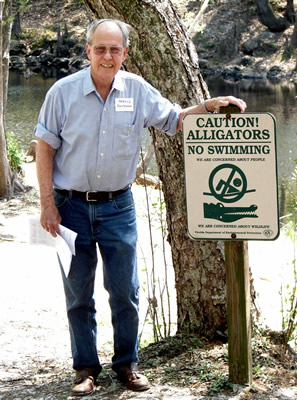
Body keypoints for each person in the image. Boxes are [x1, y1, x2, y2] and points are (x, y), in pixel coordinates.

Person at [35, 18, 246, 397]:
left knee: (125, 291)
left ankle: (127, 365)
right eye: (100, 48)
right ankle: (85, 368)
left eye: (115, 49)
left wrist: (207, 106)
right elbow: (45, 149)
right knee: (78, 295)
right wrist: (47, 205)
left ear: (125, 53)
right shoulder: (62, 93)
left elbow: (175, 120)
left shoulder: (137, 90)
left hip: (119, 206)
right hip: (70, 210)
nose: (107, 55)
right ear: (88, 51)